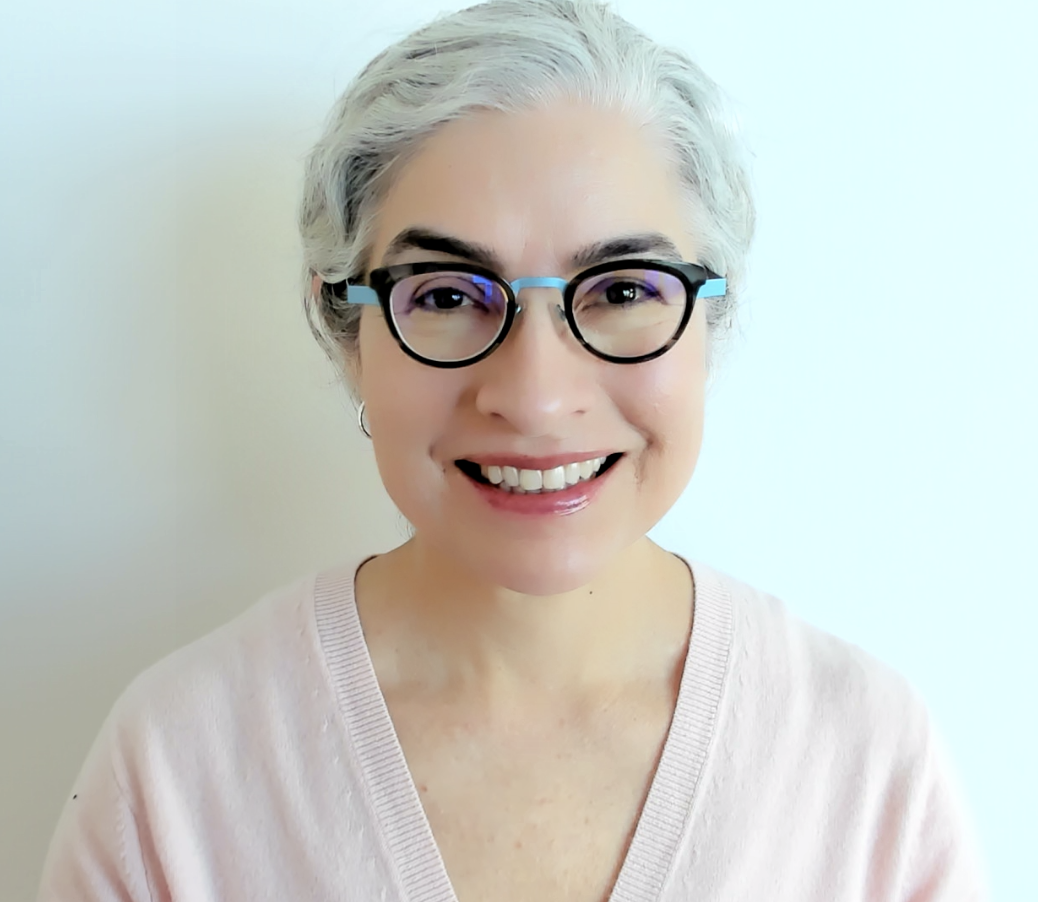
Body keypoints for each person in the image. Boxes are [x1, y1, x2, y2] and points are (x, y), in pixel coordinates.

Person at [37, 0, 987, 899]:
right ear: (347, 334)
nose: (535, 397)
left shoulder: (864, 766)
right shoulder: (177, 770)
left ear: (711, 317)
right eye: (447, 296)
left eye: (622, 290)